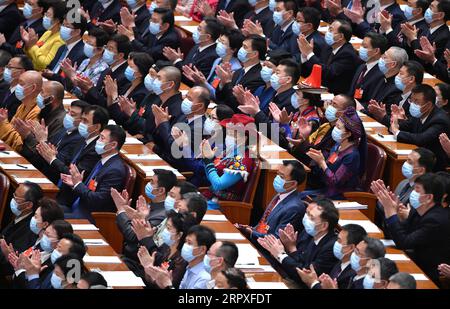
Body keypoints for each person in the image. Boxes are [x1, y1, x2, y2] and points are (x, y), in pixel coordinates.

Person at [377, 173, 450, 284]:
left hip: (428, 273)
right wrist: (392, 212)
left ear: (429, 197)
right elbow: (395, 235)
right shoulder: (416, 211)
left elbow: (404, 242)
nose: (413, 194)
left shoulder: (436, 220)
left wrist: (391, 213)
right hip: (413, 261)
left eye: (417, 190)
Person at [258, 199, 339, 286]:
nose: (306, 218)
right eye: (307, 213)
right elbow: (300, 261)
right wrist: (289, 246)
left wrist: (280, 254)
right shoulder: (311, 233)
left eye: (311, 217)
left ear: (324, 226)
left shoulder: (330, 248)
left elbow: (303, 274)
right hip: (289, 277)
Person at [60, 125, 128, 221]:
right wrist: (75, 184)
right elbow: (90, 188)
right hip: (78, 207)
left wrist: (78, 185)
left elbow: (97, 200)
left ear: (113, 145)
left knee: (51, 218)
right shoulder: (102, 160)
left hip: (90, 216)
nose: (97, 140)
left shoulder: (115, 171)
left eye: (102, 138)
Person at [304, 106, 366, 199]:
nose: (335, 129)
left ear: (348, 134)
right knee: (301, 194)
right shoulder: (337, 146)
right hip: (325, 189)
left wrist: (322, 163)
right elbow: (327, 170)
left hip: (339, 195)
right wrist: (318, 160)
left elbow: (335, 182)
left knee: (302, 198)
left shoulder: (352, 155)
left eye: (338, 127)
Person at [114, 169, 177, 260]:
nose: (148, 185)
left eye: (152, 182)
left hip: (137, 261)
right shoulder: (150, 205)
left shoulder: (161, 215)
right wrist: (130, 216)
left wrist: (121, 210)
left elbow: (133, 236)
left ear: (161, 190)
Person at [236, 160, 306, 240]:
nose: (277, 178)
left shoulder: (294, 208)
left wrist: (251, 233)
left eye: (282, 177)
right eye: (278, 174)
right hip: (258, 238)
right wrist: (252, 229)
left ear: (293, 183)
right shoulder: (280, 195)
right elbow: (264, 223)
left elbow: (277, 239)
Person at [199, 114, 256, 210]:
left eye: (232, 134)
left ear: (244, 138)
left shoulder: (242, 160)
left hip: (223, 206)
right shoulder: (232, 151)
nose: (227, 136)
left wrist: (208, 161)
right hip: (211, 197)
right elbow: (212, 178)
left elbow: (218, 184)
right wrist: (207, 158)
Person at [54, 105, 107, 207]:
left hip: (71, 198)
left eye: (85, 121)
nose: (81, 123)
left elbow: (75, 173)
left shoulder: (95, 150)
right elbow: (68, 162)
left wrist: (52, 159)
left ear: (97, 127)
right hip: (61, 190)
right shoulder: (83, 139)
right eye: (81, 119)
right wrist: (55, 155)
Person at [390, 84, 450, 171]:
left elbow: (421, 138)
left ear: (428, 105)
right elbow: (407, 126)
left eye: (416, 102)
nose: (412, 104)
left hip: (432, 168)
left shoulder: (440, 120)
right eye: (411, 100)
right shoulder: (419, 113)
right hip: (417, 158)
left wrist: (397, 132)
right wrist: (395, 123)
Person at [373, 147, 436, 228]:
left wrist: (390, 206)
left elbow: (408, 222)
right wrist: (383, 200)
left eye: (410, 162)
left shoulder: (421, 194)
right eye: (407, 159)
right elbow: (388, 211)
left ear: (421, 170)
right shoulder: (403, 183)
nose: (405, 164)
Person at [137, 211, 197, 288]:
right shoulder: (167, 248)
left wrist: (150, 269)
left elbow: (166, 286)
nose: (164, 231)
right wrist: (148, 268)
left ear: (179, 235)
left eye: (168, 228)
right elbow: (151, 282)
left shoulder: (182, 260)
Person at [299, 19, 361, 95]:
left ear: (341, 36)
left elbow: (328, 73)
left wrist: (310, 54)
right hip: (321, 87)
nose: (327, 33)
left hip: (334, 94)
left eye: (331, 30)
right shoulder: (328, 47)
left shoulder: (347, 54)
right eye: (328, 29)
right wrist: (305, 56)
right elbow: (317, 68)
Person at [35, 100, 89, 183]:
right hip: (42, 171)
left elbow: (60, 163)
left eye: (72, 114)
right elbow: (49, 147)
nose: (67, 116)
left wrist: (43, 141)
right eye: (68, 111)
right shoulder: (65, 129)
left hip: (54, 180)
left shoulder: (79, 139)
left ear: (82, 120)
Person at [299, 224, 367, 289]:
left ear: (351, 247)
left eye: (339, 240)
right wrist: (318, 281)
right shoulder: (341, 260)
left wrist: (314, 283)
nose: (335, 243)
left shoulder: (354, 273)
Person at [183, 29, 243, 100]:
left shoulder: (235, 69)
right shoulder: (218, 60)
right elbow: (209, 85)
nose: (218, 44)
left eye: (222, 43)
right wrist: (198, 81)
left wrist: (203, 82)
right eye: (219, 40)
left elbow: (217, 96)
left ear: (233, 49)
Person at [0, 182, 43, 277]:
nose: (13, 200)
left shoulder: (30, 229)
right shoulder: (21, 215)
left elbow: (10, 264)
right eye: (14, 195)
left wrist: (5, 252)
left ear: (28, 205)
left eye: (16, 198)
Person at [18, 80, 66, 166]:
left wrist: (27, 135)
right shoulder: (45, 110)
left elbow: (45, 151)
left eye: (42, 92)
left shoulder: (60, 121)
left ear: (51, 99)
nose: (38, 95)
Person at [163, 17, 220, 87]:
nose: (196, 31)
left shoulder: (212, 56)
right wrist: (179, 61)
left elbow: (192, 80)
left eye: (199, 29)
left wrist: (177, 61)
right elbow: (187, 66)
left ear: (207, 37)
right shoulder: (197, 45)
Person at [215, 34, 266, 112]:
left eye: (245, 47)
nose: (241, 49)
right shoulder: (238, 71)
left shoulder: (258, 77)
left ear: (254, 54)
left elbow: (236, 105)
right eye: (242, 46)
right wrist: (222, 82)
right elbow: (219, 97)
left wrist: (228, 82)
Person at [107, 52, 153, 130]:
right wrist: (109, 95)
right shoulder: (128, 84)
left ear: (140, 73)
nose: (127, 68)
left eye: (131, 67)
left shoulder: (141, 93)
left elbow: (121, 117)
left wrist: (114, 95)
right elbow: (111, 108)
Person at [82, 34, 131, 107]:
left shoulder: (124, 77)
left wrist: (89, 88)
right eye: (106, 47)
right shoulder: (108, 69)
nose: (105, 51)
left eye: (110, 49)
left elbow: (108, 105)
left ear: (120, 55)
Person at [61, 27, 110, 99]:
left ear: (100, 49)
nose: (86, 45)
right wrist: (68, 73)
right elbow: (71, 86)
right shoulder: (85, 61)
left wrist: (72, 76)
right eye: (86, 42)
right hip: (68, 96)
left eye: (90, 44)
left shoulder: (102, 69)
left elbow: (85, 94)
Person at [0, 70, 42, 151]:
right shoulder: (23, 104)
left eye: (21, 84)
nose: (17, 86)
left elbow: (20, 143)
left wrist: (4, 122)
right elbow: (12, 130)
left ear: (33, 88)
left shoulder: (37, 112)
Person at [348, 32, 387, 110]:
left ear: (376, 51)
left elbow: (372, 101)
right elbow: (351, 92)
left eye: (365, 46)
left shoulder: (381, 73)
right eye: (362, 45)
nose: (361, 48)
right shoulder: (361, 67)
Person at [23, 0, 66, 71]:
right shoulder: (48, 32)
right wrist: (28, 44)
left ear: (57, 20)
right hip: (31, 68)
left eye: (48, 15)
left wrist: (33, 46)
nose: (44, 17)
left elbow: (45, 64)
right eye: (45, 13)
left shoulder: (60, 39)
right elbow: (30, 55)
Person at [44, 15, 88, 81]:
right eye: (63, 25)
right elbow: (50, 68)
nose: (62, 28)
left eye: (67, 26)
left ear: (77, 32)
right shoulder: (62, 47)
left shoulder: (82, 54)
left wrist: (53, 76)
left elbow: (69, 81)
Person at [0, 55, 34, 120]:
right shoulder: (3, 86)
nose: (6, 70)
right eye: (6, 66)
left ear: (21, 72)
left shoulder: (23, 96)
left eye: (9, 67)